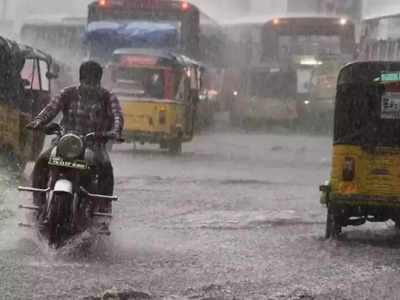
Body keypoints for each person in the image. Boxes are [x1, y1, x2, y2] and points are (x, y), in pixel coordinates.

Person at [26, 60, 124, 219]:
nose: (90, 85)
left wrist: (115, 132)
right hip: (64, 142)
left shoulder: (108, 98)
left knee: (106, 169)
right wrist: (39, 121)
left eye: (93, 81)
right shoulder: (67, 93)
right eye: (86, 81)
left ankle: (103, 213)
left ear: (99, 81)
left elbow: (117, 117)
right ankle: (38, 204)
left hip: (94, 145)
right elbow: (50, 110)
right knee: (42, 161)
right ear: (81, 79)